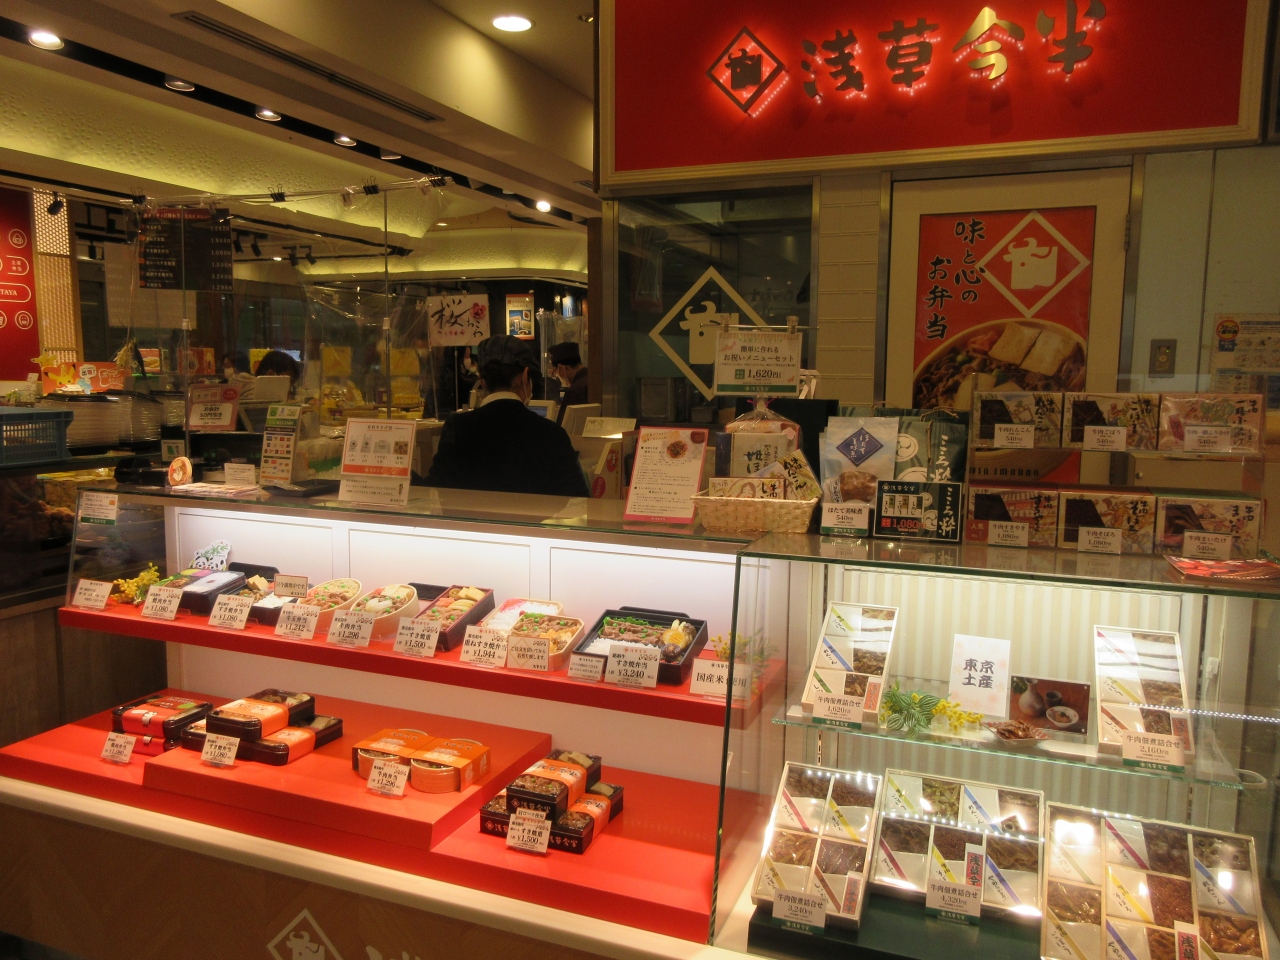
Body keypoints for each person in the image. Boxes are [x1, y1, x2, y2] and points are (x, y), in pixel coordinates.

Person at [423, 335, 589, 497]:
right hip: (533, 517)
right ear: (525, 376)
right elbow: (577, 498)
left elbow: (436, 489)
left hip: (469, 517)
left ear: (482, 381)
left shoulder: (457, 427)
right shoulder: (552, 434)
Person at [548, 341, 588, 425]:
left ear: (562, 368)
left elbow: (562, 426)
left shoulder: (574, 391)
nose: (557, 375)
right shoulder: (592, 379)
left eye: (556, 372)